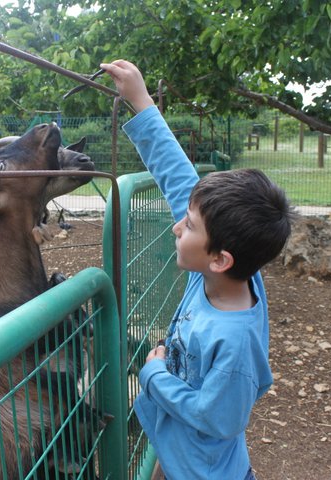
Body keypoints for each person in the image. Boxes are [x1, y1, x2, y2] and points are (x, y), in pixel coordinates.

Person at [99, 59, 295, 480]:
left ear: (219, 257)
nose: (176, 224)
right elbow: (177, 178)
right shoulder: (222, 272)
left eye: (188, 225)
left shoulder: (234, 340)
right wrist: (141, 102)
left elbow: (218, 419)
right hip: (180, 456)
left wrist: (153, 377)